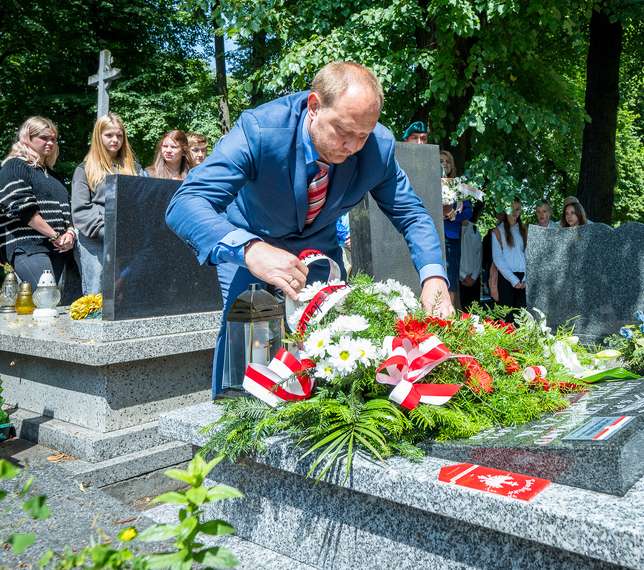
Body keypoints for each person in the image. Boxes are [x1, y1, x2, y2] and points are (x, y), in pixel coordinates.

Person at [165, 61, 451, 397]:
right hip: (250, 244)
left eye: (363, 134)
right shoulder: (259, 130)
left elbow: (413, 216)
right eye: (344, 132)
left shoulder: (378, 147)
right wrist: (249, 249)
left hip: (319, 252)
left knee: (331, 352)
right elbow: (185, 202)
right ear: (313, 106)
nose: (353, 146)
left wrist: (434, 277)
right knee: (245, 355)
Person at [72, 113, 144, 295]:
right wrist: (106, 231)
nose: (115, 140)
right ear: (99, 136)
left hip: (128, 239)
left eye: (119, 135)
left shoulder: (135, 169)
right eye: (109, 135)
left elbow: (142, 204)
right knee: (97, 294)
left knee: (127, 294)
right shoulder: (84, 169)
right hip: (95, 239)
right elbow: (81, 210)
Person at [0, 117, 76, 289]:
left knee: (46, 304)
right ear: (28, 137)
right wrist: (55, 235)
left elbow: (69, 210)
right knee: (46, 296)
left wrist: (70, 233)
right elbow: (23, 210)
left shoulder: (53, 176)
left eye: (53, 139)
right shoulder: (14, 166)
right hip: (27, 244)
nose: (50, 143)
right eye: (44, 138)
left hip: (57, 248)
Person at [441, 149, 473, 308]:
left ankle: (449, 317)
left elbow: (468, 211)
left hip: (451, 237)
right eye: (441, 161)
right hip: (432, 235)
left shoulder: (458, 186)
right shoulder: (426, 182)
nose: (444, 164)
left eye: (447, 162)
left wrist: (455, 217)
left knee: (451, 280)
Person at [491, 197, 527, 322]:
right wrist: (513, 279)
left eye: (517, 209)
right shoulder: (498, 231)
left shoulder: (524, 231)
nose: (514, 212)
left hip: (523, 279)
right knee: (506, 317)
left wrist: (525, 278)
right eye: (511, 208)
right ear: (505, 209)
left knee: (522, 318)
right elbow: (497, 258)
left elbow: (528, 255)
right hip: (506, 278)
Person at [458, 219, 483, 310]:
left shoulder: (474, 228)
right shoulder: (452, 228)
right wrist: (463, 276)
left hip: (473, 279)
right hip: (458, 279)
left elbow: (479, 254)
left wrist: (473, 277)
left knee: (472, 311)